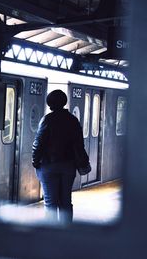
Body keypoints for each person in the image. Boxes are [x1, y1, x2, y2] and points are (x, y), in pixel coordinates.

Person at [32, 89, 86, 224]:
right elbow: (79, 144)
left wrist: (35, 161)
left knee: (50, 202)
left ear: (50, 103)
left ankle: (51, 233)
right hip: (68, 166)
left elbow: (38, 143)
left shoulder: (47, 120)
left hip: (48, 166)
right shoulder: (73, 120)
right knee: (66, 201)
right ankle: (65, 232)